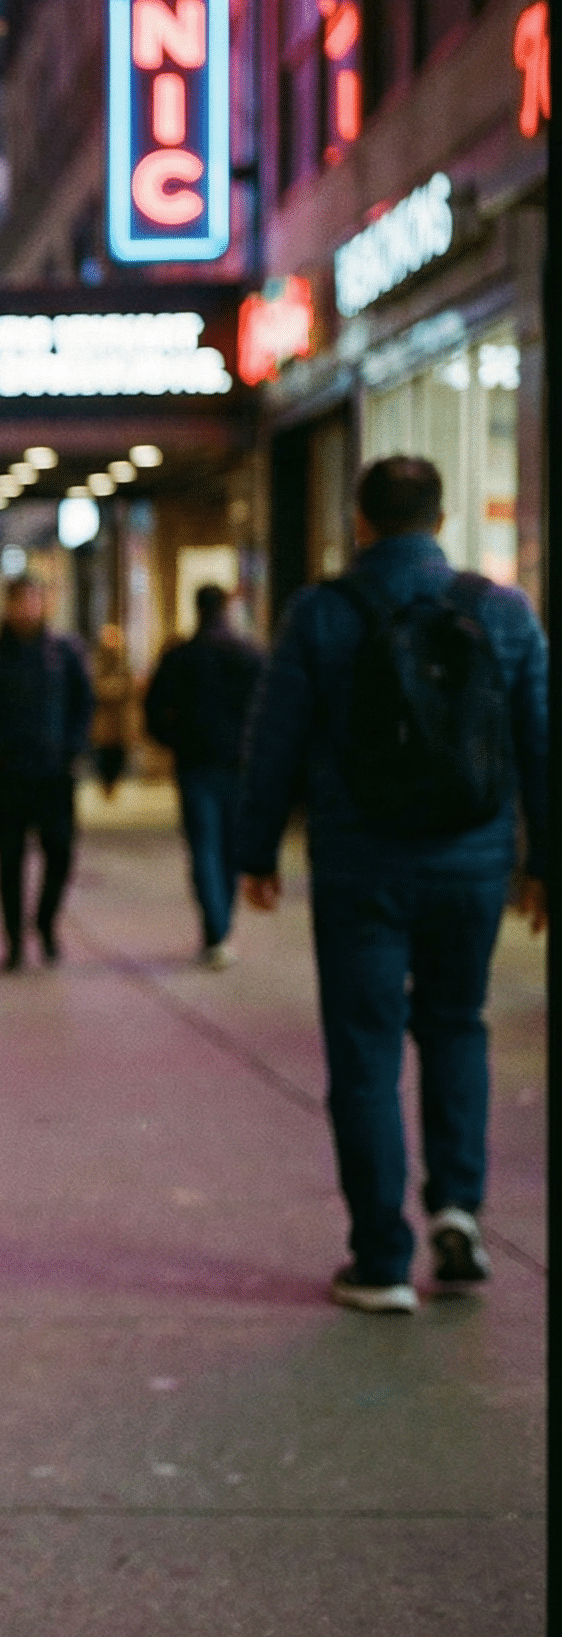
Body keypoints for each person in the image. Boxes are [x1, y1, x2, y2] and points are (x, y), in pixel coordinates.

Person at [235, 455, 547, 1315]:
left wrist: (253, 852)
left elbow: (274, 739)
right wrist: (542, 863)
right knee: (456, 1025)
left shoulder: (323, 613)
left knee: (364, 1051)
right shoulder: (504, 613)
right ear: (441, 522)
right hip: (472, 865)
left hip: (360, 867)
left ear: (360, 522)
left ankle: (380, 1259)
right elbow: (540, 743)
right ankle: (457, 1209)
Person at [0, 576, 94, 971]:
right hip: (9, 775)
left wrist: (73, 748)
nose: (28, 609)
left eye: (35, 600)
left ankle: (46, 923)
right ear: (9, 605)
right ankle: (15, 941)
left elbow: (83, 703)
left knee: (61, 854)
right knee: (10, 860)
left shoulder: (64, 653)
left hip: (54, 773)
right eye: (21, 601)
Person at [142, 583, 264, 968]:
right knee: (228, 848)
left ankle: (216, 929)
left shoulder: (181, 657)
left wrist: (174, 740)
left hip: (195, 765)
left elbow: (154, 711)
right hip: (238, 766)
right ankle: (221, 926)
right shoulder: (250, 655)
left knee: (205, 848)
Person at [89, 622, 135, 799]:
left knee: (118, 757)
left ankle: (112, 785)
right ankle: (106, 786)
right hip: (102, 725)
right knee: (103, 758)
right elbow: (96, 688)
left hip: (120, 724)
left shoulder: (124, 665)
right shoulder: (97, 664)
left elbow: (128, 690)